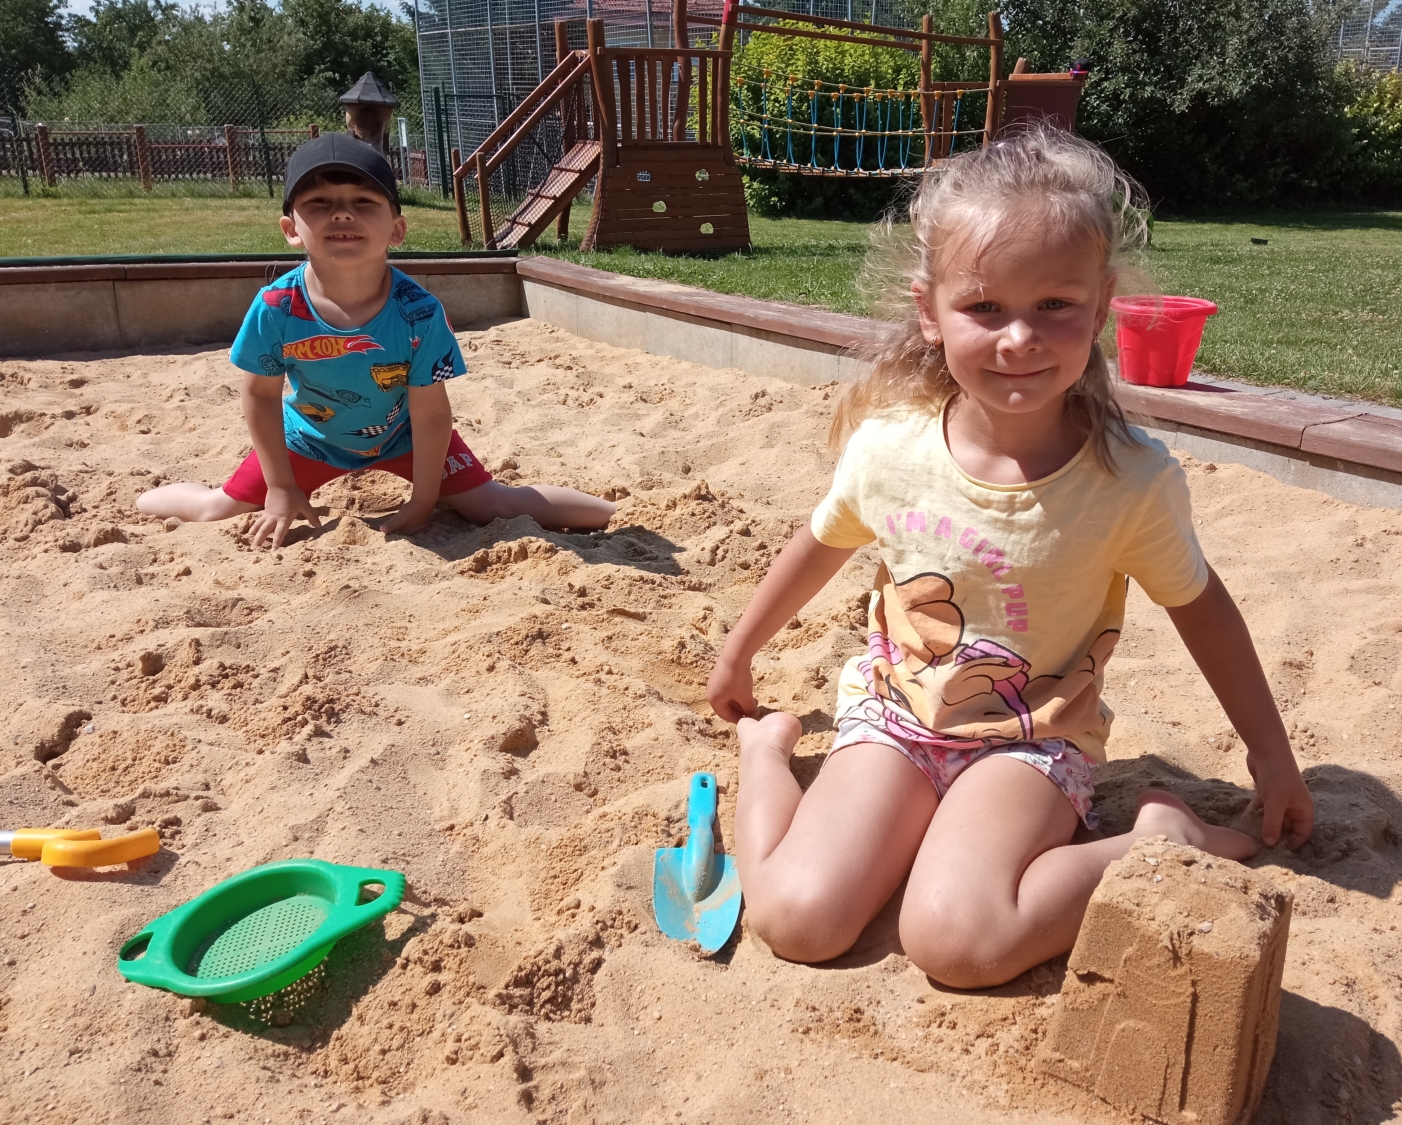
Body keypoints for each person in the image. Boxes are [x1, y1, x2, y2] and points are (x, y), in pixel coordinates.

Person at [706, 128, 1315, 988]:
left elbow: (1201, 606)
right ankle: (765, 754)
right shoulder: (890, 450)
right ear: (931, 311)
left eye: (1054, 304)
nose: (1019, 337)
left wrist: (1271, 755)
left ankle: (1155, 837)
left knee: (958, 941)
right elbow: (820, 543)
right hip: (895, 717)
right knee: (798, 917)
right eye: (985, 308)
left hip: (1032, 740)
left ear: (1100, 309)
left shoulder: (1127, 482)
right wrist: (740, 649)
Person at [137, 133, 613, 548]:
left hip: (403, 435)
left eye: (363, 202)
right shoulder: (276, 307)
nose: (342, 213)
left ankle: (617, 513)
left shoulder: (418, 313)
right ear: (291, 230)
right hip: (309, 439)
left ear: (396, 229)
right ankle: (149, 497)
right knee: (218, 510)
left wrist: (423, 501)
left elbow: (431, 413)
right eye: (319, 202)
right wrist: (280, 487)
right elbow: (260, 396)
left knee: (492, 504)